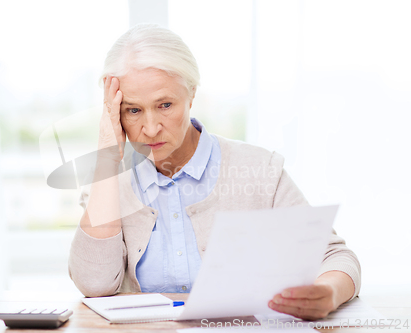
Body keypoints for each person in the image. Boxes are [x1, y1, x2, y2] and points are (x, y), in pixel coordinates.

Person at [68, 23, 361, 320]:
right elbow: (95, 284)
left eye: (165, 105)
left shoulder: (259, 170)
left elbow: (335, 257)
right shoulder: (108, 184)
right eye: (133, 110)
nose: (151, 127)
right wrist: (107, 153)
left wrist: (329, 293)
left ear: (191, 93)